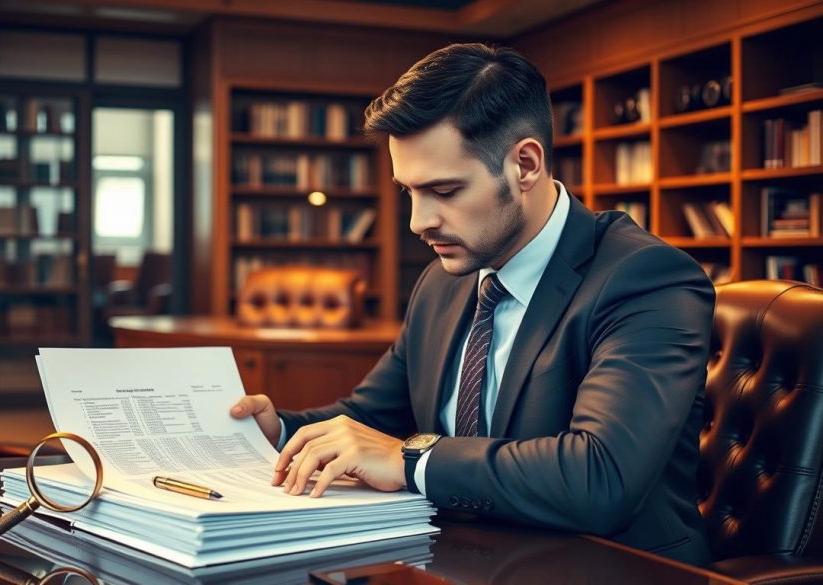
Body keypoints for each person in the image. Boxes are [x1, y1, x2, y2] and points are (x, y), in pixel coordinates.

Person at [230, 43, 714, 566]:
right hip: (461, 560)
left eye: (444, 190)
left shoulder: (646, 279)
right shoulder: (444, 281)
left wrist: (411, 460)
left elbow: (601, 477)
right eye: (408, 191)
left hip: (611, 570)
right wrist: (277, 431)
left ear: (524, 165)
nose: (419, 222)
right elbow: (371, 419)